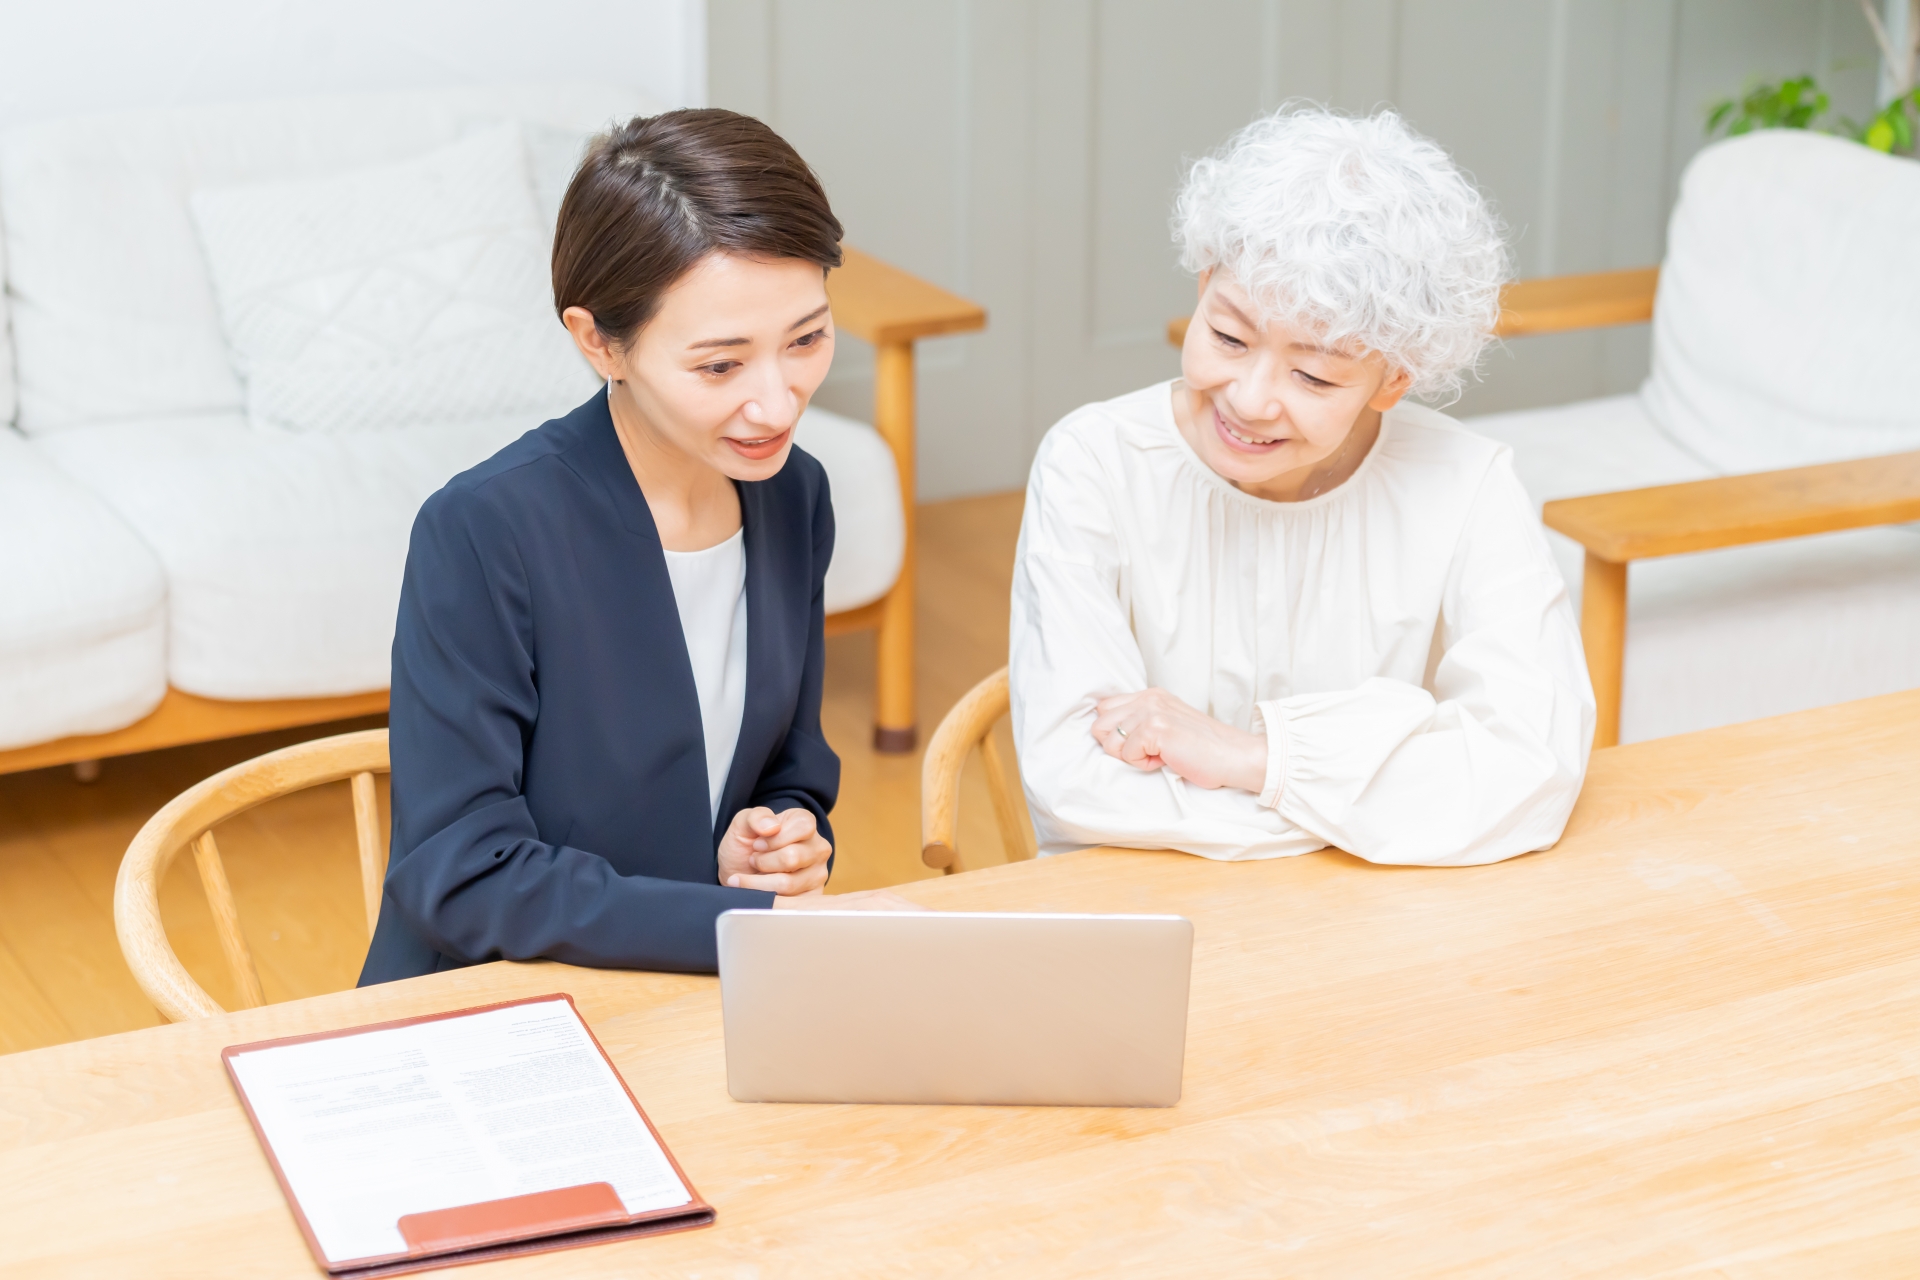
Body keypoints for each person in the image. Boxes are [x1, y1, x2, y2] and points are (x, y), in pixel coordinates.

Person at [361, 110, 915, 986]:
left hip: (690, 991)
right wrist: (751, 921)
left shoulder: (791, 495)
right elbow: (459, 876)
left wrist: (783, 836)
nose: (777, 403)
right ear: (598, 342)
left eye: (806, 340)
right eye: (719, 366)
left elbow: (788, 766)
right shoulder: (485, 530)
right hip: (504, 1002)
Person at [1010, 106, 1594, 868]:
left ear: (1393, 380)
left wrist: (1256, 759)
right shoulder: (1092, 462)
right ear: (1204, 280)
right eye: (1227, 336)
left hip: (1375, 922)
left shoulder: (1469, 483)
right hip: (1149, 909)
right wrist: (1378, 795)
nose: (1250, 399)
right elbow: (1077, 788)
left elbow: (1531, 767)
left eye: (1313, 374)